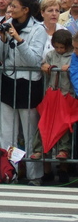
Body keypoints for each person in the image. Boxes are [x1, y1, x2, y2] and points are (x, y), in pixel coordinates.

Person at [0, 0, 48, 184]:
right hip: (9, 81)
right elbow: (0, 56)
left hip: (29, 83)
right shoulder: (7, 23)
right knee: (7, 132)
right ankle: (11, 171)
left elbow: (34, 61)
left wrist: (18, 40)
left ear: (25, 10)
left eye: (14, 6)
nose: (10, 9)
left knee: (29, 132)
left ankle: (35, 175)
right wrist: (1, 39)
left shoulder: (38, 30)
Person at [31, 29, 73, 166]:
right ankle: (39, 149)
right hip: (51, 93)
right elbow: (42, 64)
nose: (59, 50)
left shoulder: (73, 56)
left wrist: (70, 68)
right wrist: (44, 66)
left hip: (66, 95)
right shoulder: (50, 55)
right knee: (44, 122)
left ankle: (63, 149)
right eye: (57, 47)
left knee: (64, 123)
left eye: (62, 48)